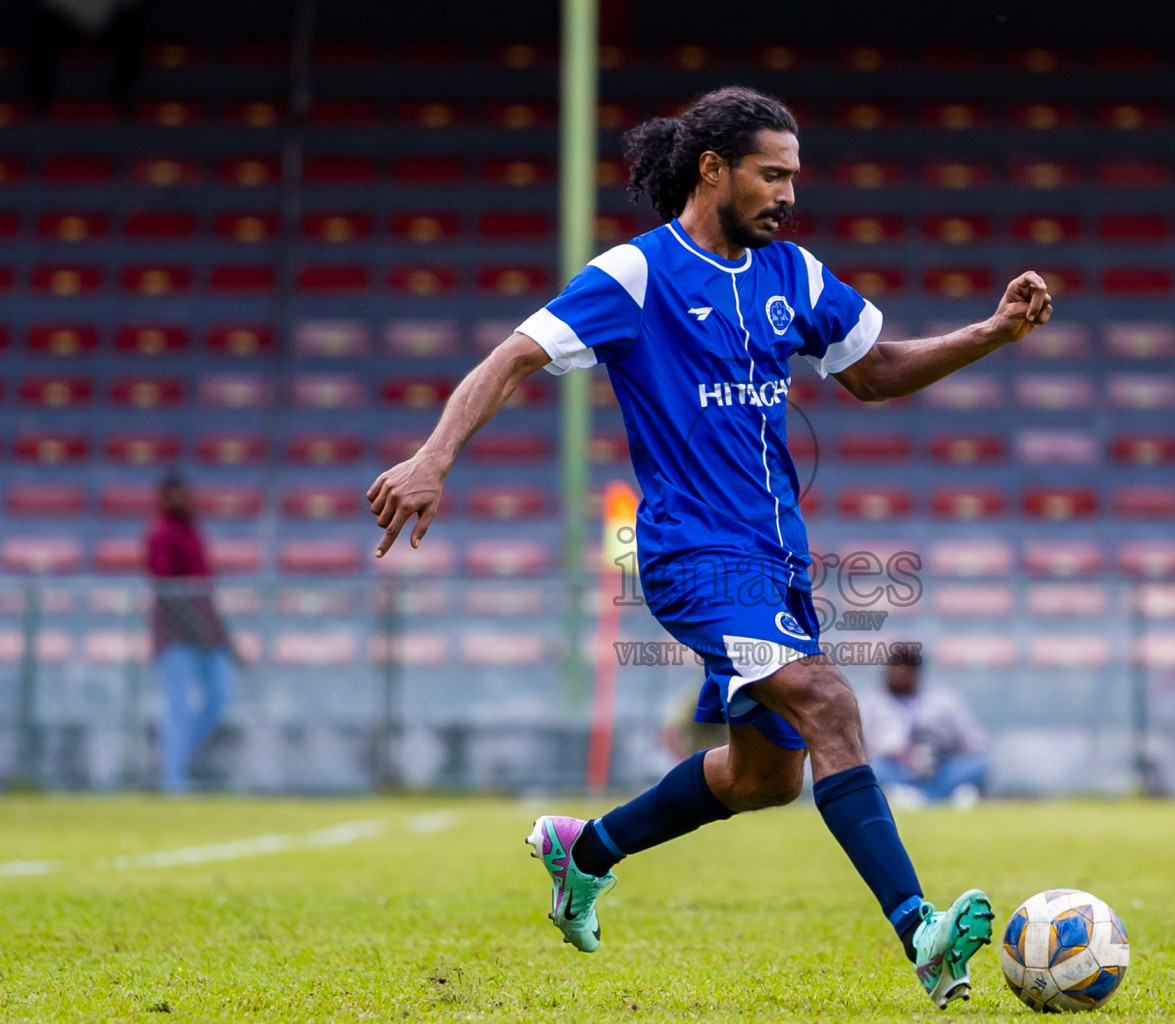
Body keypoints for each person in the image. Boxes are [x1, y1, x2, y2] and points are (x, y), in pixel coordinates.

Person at [368, 86, 1053, 1008]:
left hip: (777, 563)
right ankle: (920, 931)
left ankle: (585, 852)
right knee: (829, 702)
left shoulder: (793, 275)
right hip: (693, 557)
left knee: (766, 778)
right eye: (772, 175)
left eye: (794, 177)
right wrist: (433, 456)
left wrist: (994, 331)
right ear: (712, 169)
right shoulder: (636, 275)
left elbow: (876, 371)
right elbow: (513, 356)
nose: (788, 194)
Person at [145, 473, 235, 793]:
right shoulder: (161, 533)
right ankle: (173, 779)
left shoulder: (192, 529)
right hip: (176, 636)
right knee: (178, 707)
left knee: (221, 697)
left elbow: (204, 588)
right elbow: (167, 590)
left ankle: (174, 760)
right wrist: (195, 628)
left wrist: (221, 636)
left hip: (206, 632)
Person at [865, 646, 989, 808]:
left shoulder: (944, 700)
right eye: (895, 667)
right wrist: (893, 752)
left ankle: (935, 796)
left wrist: (943, 748)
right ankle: (917, 795)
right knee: (872, 768)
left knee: (979, 763)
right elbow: (860, 748)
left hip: (941, 770)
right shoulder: (871, 703)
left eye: (907, 667)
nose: (900, 672)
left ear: (917, 671)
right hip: (896, 771)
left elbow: (975, 740)